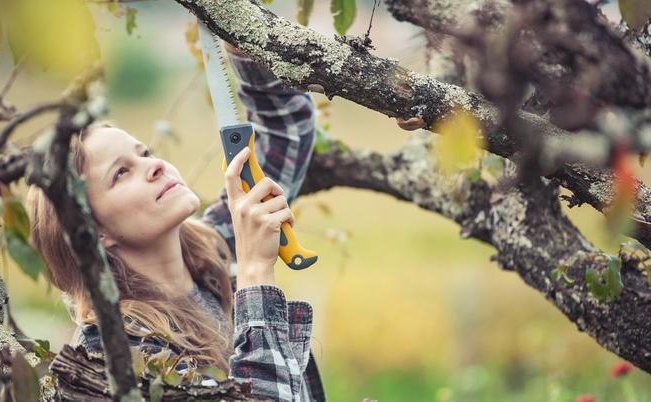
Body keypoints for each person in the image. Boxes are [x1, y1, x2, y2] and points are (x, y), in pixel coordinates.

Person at [26, 44, 425, 402]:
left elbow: (284, 131)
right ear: (91, 232)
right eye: (121, 173)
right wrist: (254, 271)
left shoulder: (214, 250)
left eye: (144, 152)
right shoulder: (116, 356)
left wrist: (242, 40)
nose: (154, 166)